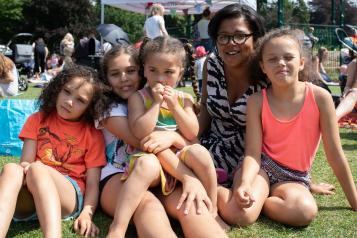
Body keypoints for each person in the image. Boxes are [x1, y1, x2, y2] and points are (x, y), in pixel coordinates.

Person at [197, 4, 335, 227]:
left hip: (252, 158)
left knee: (242, 211)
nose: (231, 43)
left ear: (256, 39)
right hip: (213, 148)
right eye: (223, 36)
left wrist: (301, 179)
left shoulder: (268, 73)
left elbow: (291, 126)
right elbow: (205, 107)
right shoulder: (212, 64)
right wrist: (191, 138)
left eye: (240, 36)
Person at [236, 28, 357, 227]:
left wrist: (354, 200)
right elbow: (252, 153)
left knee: (303, 211)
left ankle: (263, 201)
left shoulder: (320, 97)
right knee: (242, 215)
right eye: (272, 59)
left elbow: (335, 154)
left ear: (301, 63)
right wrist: (246, 183)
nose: (281, 63)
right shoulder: (257, 101)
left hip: (295, 177)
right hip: (263, 169)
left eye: (288, 57)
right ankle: (251, 197)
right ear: (263, 66)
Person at [129, 36, 228, 235]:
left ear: (180, 73)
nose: (160, 78)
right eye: (153, 70)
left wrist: (174, 106)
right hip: (154, 161)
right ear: (144, 69)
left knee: (200, 152)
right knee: (156, 149)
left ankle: (213, 209)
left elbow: (192, 133)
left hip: (180, 157)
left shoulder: (184, 99)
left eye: (168, 72)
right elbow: (140, 132)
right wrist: (157, 104)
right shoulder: (139, 98)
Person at [0, 66, 107, 238]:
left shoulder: (92, 135)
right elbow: (25, 163)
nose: (69, 101)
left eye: (80, 100)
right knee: (11, 169)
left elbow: (93, 183)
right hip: (32, 193)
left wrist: (87, 213)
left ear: (90, 107)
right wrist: (28, 169)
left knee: (37, 168)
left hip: (68, 195)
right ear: (57, 89)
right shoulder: (37, 119)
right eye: (66, 91)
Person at [96, 45, 177, 238]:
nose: (124, 78)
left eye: (130, 71)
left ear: (141, 72)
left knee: (188, 206)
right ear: (106, 79)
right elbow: (148, 144)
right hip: (116, 175)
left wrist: (174, 137)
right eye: (115, 74)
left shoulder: (150, 101)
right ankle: (117, 230)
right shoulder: (109, 109)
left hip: (157, 175)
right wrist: (188, 176)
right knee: (148, 207)